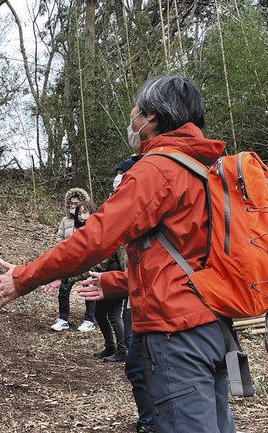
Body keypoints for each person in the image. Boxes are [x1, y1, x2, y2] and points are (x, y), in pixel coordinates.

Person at [0, 76, 235, 432]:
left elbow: (94, 239)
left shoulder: (157, 170)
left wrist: (25, 276)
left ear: (153, 118)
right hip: (214, 329)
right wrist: (116, 281)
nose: (132, 116)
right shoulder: (203, 169)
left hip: (174, 334)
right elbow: (189, 263)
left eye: (136, 109)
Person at [113, 157, 155, 432]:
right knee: (136, 366)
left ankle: (152, 423)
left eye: (121, 177)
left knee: (144, 367)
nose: (116, 182)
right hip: (135, 300)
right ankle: (148, 420)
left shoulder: (151, 203)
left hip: (156, 308)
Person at [43, 187, 95, 332]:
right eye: (71, 203)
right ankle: (63, 318)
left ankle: (89, 319)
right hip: (69, 260)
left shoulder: (90, 221)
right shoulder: (66, 221)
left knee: (89, 287)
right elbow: (58, 239)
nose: (73, 206)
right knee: (64, 287)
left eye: (76, 203)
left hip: (86, 260)